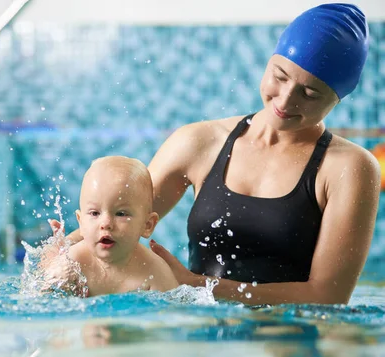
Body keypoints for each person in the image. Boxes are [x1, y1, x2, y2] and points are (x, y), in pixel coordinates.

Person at [52, 3, 380, 305]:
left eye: (309, 94)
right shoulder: (200, 141)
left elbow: (328, 295)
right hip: (200, 334)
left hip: (286, 340)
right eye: (279, 77)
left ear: (338, 99)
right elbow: (121, 214)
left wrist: (196, 284)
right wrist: (57, 255)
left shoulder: (348, 168)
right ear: (269, 62)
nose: (284, 100)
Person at [42, 156, 179, 297]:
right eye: (95, 213)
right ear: (81, 223)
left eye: (121, 213)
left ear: (147, 225)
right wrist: (52, 271)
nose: (106, 223)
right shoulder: (73, 262)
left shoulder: (155, 272)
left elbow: (172, 314)